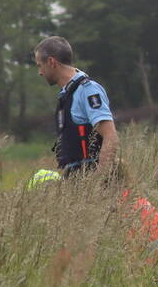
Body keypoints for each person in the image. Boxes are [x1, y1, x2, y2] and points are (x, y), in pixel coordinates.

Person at [33, 36, 120, 180]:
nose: (40, 72)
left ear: (51, 62)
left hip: (93, 185)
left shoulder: (88, 91)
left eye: (39, 65)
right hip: (76, 182)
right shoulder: (66, 95)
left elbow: (111, 137)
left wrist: (97, 181)